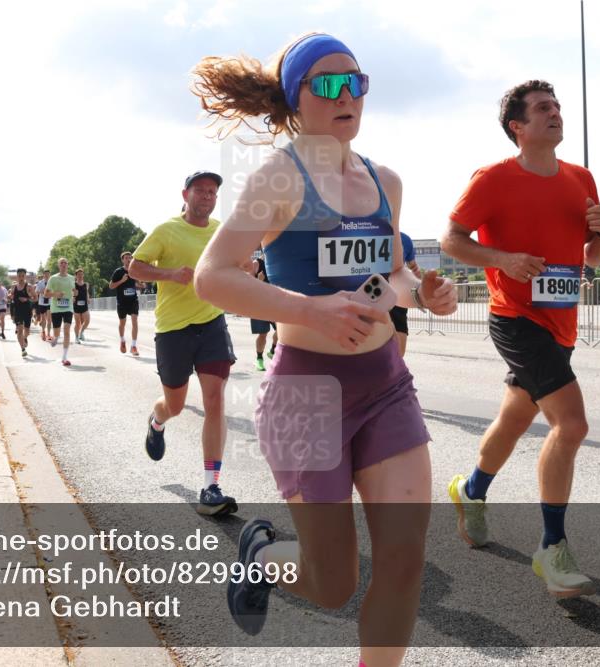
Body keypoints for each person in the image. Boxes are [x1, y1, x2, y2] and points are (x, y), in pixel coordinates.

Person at [191, 33, 457, 664]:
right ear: (295, 99)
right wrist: (310, 310)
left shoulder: (384, 180)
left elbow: (393, 273)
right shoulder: (279, 177)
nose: (347, 96)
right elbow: (213, 275)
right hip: (306, 395)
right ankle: (262, 557)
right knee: (331, 584)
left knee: (403, 561)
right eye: (328, 84)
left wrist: (423, 295)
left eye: (356, 82)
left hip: (385, 384)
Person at [440, 79, 600, 599]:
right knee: (572, 423)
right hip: (515, 318)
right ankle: (552, 548)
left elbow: (594, 260)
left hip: (562, 323)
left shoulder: (581, 178)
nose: (555, 113)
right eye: (543, 108)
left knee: (516, 419)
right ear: (518, 127)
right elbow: (451, 239)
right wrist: (503, 260)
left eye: (557, 107)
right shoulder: (494, 178)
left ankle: (470, 491)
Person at [126, 171, 240, 517]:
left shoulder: (222, 231)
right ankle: (157, 421)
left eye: (213, 192)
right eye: (201, 190)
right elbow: (135, 268)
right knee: (175, 405)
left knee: (215, 400)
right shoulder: (166, 230)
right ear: (185, 194)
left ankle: (211, 485)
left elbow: (233, 266)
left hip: (211, 324)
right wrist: (170, 274)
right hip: (174, 329)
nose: (207, 196)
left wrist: (244, 268)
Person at [390, 232, 422, 356]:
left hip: (397, 294)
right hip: (372, 292)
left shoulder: (404, 239)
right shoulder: (364, 230)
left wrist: (419, 282)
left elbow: (413, 266)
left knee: (399, 353)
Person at [109, 252, 144, 355]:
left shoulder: (134, 271)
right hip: (122, 302)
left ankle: (133, 346)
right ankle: (122, 340)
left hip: (133, 300)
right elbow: (111, 286)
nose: (128, 259)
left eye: (130, 258)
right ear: (122, 260)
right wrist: (122, 280)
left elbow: (139, 284)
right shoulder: (118, 272)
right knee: (122, 323)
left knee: (134, 321)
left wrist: (141, 284)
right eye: (126, 258)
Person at [249, 251, 277, 371]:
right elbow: (248, 288)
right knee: (263, 334)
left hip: (274, 305)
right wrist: (259, 281)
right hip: (259, 306)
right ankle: (259, 359)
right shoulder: (257, 264)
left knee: (282, 330)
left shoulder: (277, 263)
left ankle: (272, 350)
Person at [44, 258, 75, 367]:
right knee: (57, 333)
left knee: (67, 330)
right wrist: (55, 294)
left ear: (67, 265)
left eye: (65, 263)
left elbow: (74, 291)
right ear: (58, 265)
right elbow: (46, 294)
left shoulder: (72, 278)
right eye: (61, 263)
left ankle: (64, 357)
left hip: (68, 307)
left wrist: (75, 293)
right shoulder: (53, 278)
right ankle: (56, 338)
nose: (63, 264)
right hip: (56, 308)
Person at [11, 269, 35, 357]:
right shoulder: (14, 287)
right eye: (19, 276)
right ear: (17, 276)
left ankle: (24, 338)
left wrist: (27, 299)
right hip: (18, 311)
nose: (21, 277)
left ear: (25, 276)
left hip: (27, 311)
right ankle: (23, 349)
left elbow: (35, 298)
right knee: (19, 330)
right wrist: (10, 296)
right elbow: (11, 296)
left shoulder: (29, 287)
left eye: (22, 276)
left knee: (27, 331)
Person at [72, 268, 91, 343]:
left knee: (87, 321)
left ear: (83, 275)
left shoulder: (86, 284)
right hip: (76, 305)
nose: (80, 276)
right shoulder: (73, 284)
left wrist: (88, 298)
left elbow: (86, 293)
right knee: (77, 323)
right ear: (76, 276)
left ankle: (81, 332)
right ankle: (76, 338)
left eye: (81, 274)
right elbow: (71, 293)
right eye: (78, 274)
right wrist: (73, 297)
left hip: (84, 305)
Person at [35, 269, 52, 341]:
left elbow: (55, 290)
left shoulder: (52, 282)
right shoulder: (40, 283)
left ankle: (48, 334)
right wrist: (43, 291)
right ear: (43, 275)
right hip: (42, 302)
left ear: (49, 275)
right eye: (45, 274)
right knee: (43, 319)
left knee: (49, 319)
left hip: (50, 302)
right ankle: (43, 331)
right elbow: (36, 292)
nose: (47, 275)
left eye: (48, 274)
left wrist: (51, 292)